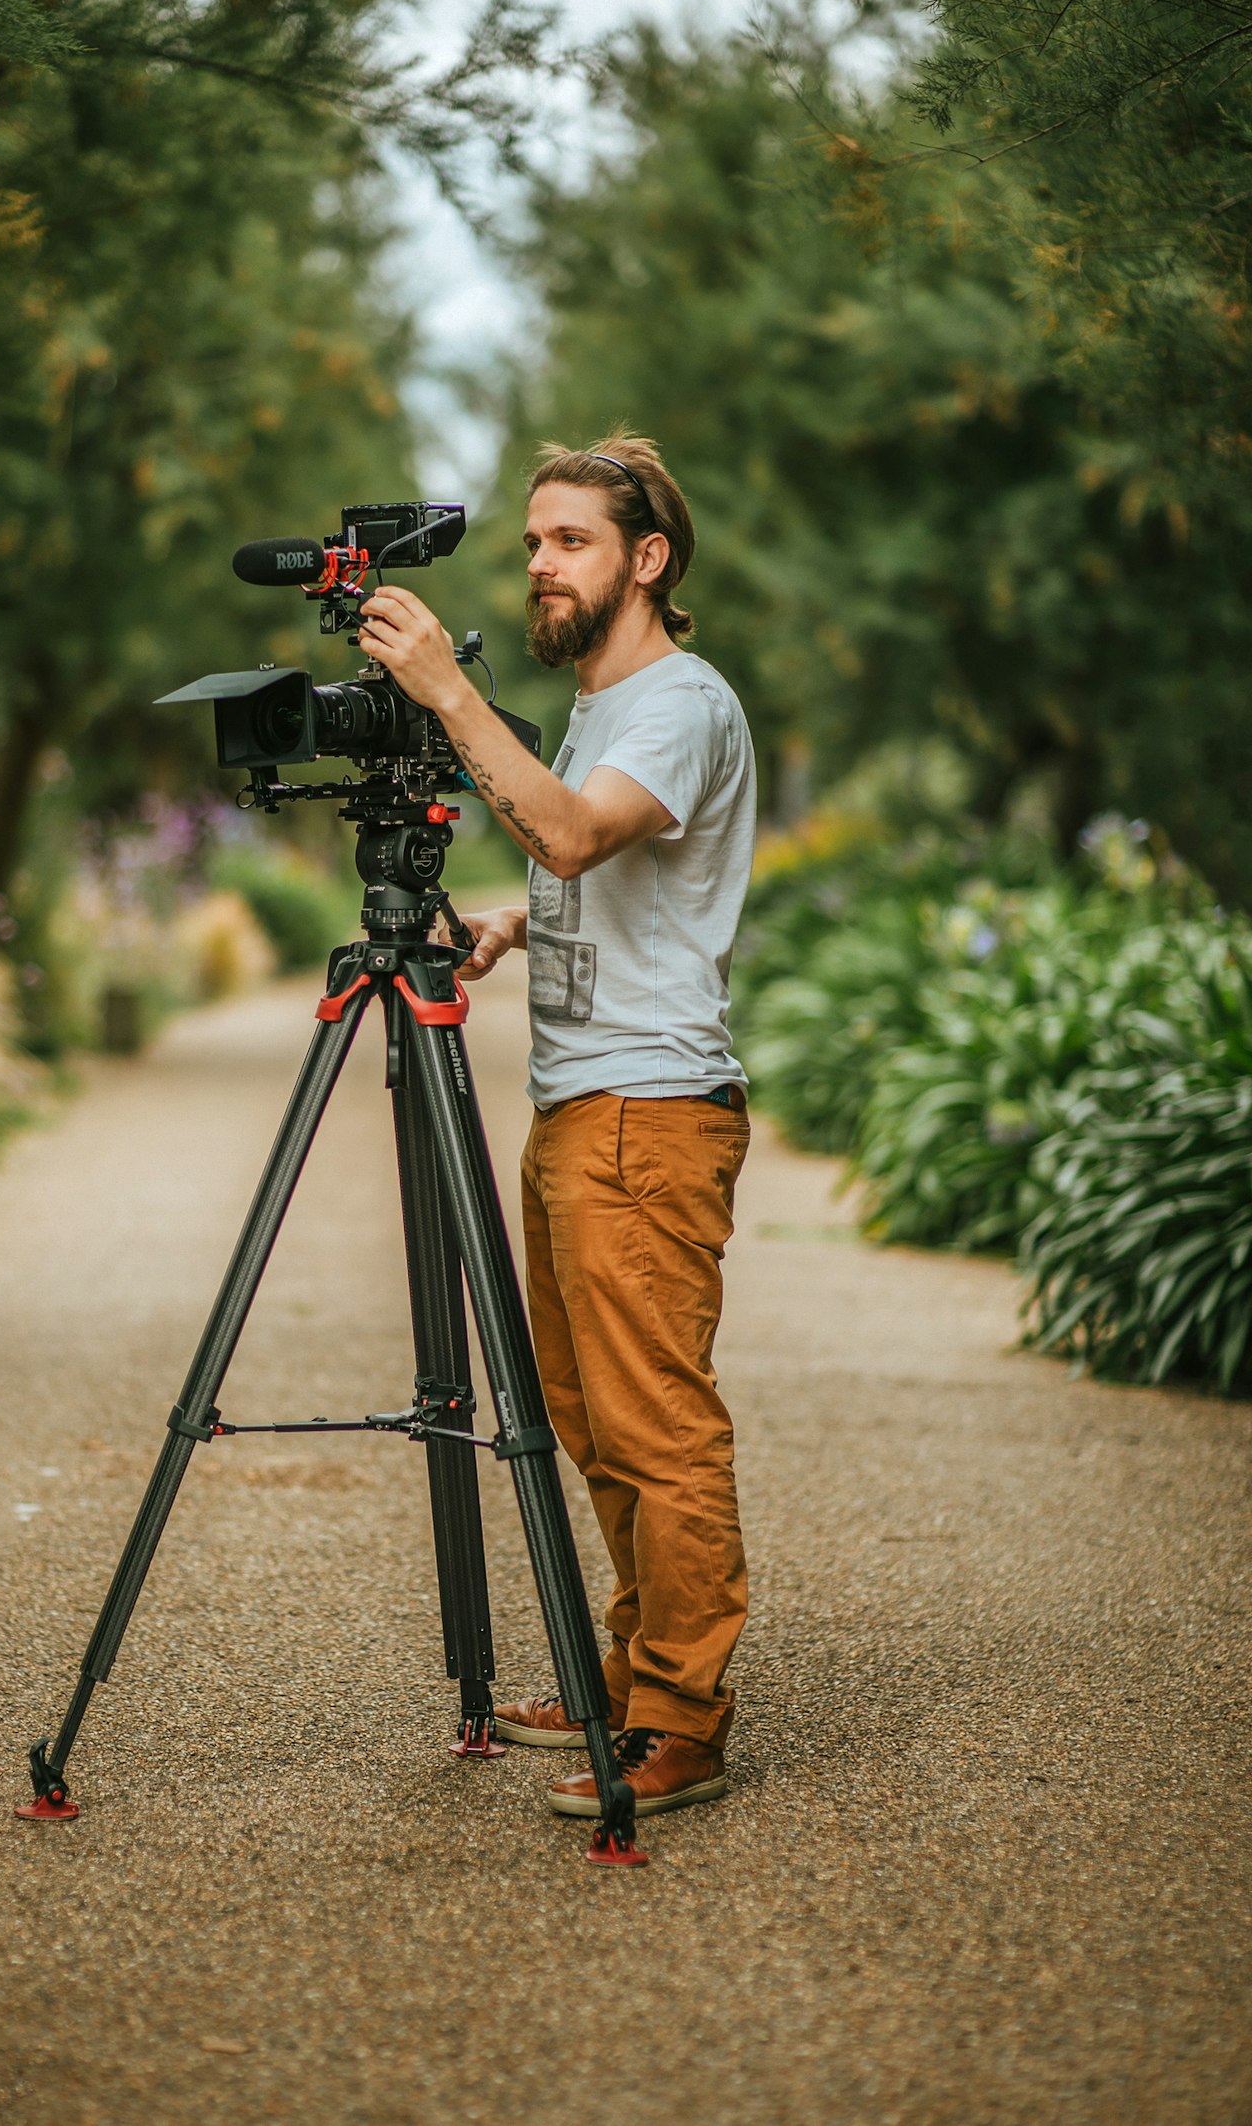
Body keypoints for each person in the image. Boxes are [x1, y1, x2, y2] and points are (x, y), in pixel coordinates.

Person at [358, 433, 755, 1823]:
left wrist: (451, 696)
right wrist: (521, 920)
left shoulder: (676, 703)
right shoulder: (603, 706)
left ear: (646, 558)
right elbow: (592, 867)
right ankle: (628, 1679)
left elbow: (578, 832)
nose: (539, 561)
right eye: (532, 540)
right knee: (588, 1417)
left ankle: (678, 1721)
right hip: (585, 1105)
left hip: (648, 1111)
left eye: (570, 539)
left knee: (654, 1422)